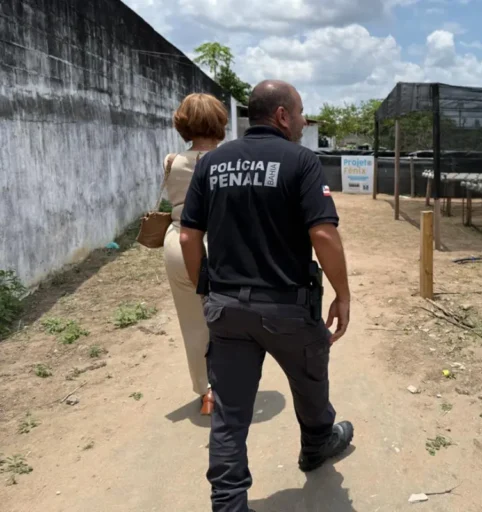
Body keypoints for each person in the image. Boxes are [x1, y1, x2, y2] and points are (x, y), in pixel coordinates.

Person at [179, 80, 354, 511]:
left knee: (230, 415)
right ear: (281, 116)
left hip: (227, 309)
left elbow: (187, 237)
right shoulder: (301, 161)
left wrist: (207, 291)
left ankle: (228, 502)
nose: (301, 123)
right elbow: (323, 234)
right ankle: (316, 446)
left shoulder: (211, 163)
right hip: (286, 307)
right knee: (311, 379)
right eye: (299, 114)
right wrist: (342, 294)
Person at [163, 93, 228, 416]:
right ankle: (229, 382)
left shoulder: (171, 161)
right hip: (218, 244)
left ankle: (206, 391)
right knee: (227, 318)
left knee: (192, 321)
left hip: (177, 241)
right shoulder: (229, 160)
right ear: (220, 123)